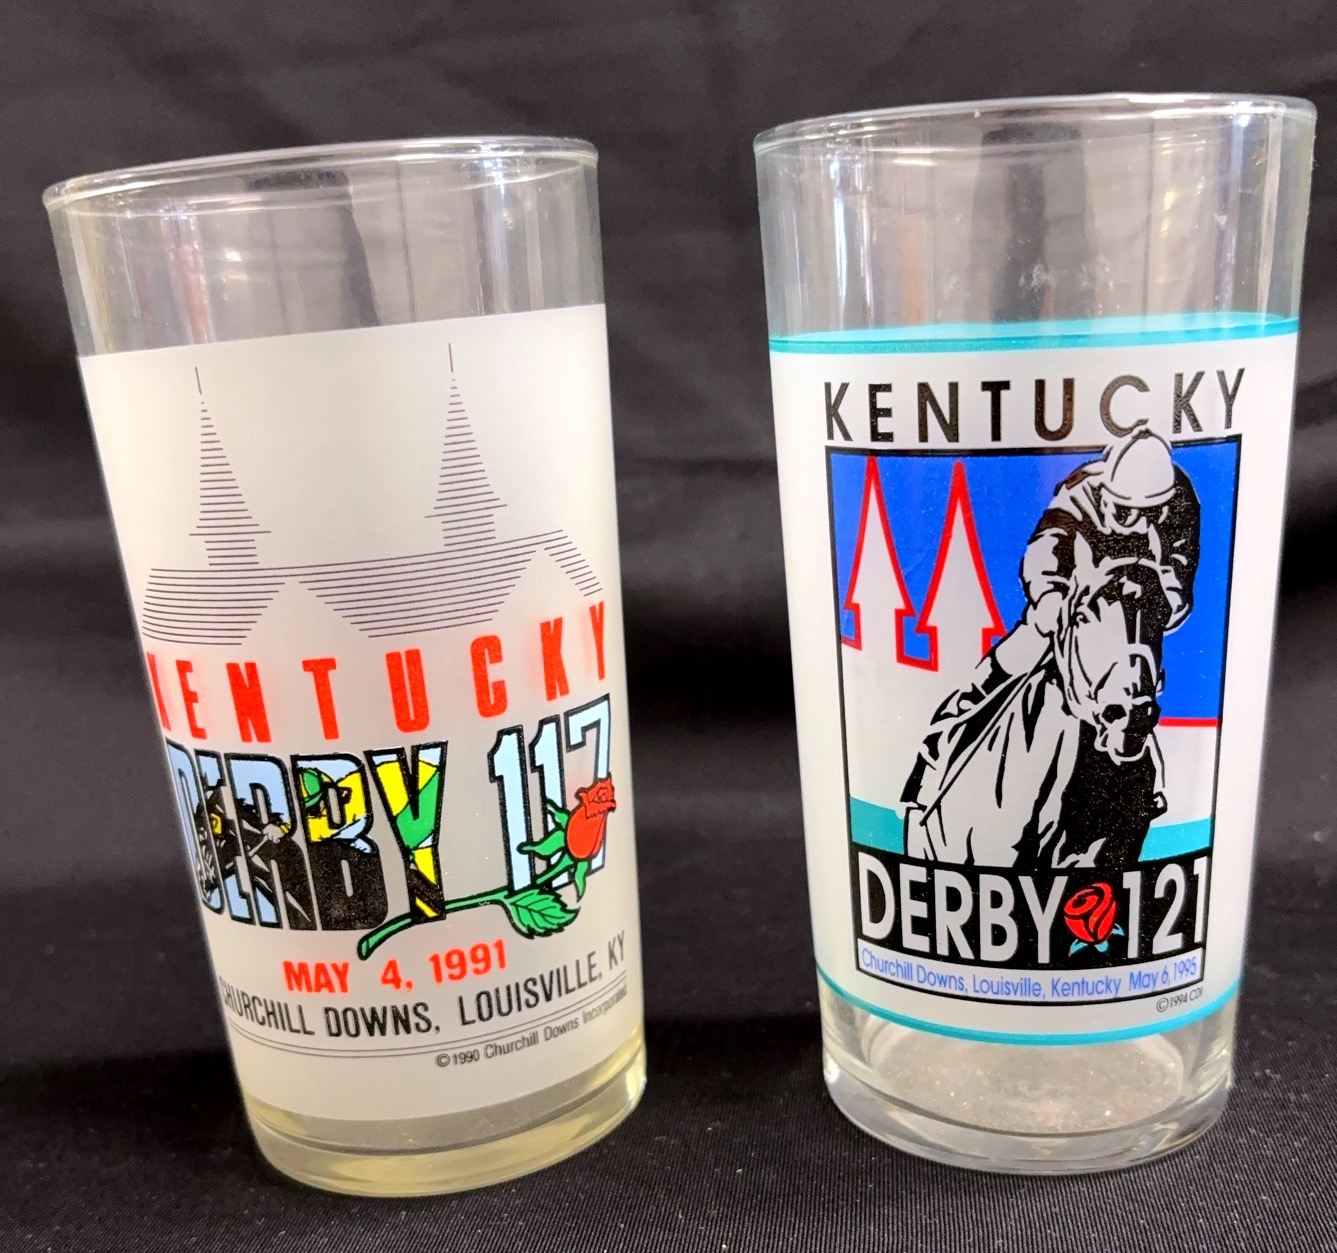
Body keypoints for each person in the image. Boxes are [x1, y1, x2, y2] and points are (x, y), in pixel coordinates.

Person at [902, 427, 1200, 813]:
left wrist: (1149, 606)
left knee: (1139, 684)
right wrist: (1051, 600)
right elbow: (1046, 552)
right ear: (1107, 492)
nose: (1134, 522)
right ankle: (935, 758)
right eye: (1124, 510)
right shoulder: (1079, 494)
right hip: (1071, 605)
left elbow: (1177, 582)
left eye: (1147, 514)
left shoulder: (1180, 504)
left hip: (1133, 615)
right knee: (1005, 668)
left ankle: (1147, 779)